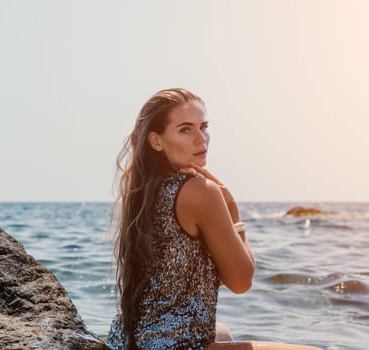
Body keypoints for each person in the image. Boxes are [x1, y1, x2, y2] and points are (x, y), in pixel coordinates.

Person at [107, 88, 320, 350]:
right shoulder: (201, 191)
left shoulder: (142, 192)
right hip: (173, 347)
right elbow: (241, 281)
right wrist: (233, 213)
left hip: (126, 340)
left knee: (223, 333)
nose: (201, 139)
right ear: (156, 140)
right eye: (185, 129)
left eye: (203, 127)